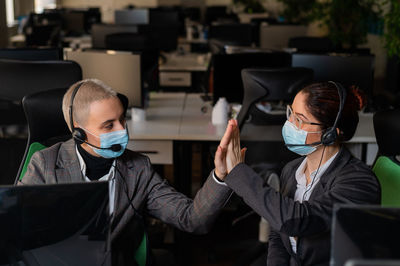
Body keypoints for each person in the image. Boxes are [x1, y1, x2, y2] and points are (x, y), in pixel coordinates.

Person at [19, 79, 235, 265]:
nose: (122, 130)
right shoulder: (45, 164)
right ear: (79, 131)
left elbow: (192, 220)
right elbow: (20, 229)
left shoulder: (138, 168)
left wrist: (220, 176)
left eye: (122, 119)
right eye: (108, 125)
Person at [215, 82, 381, 266]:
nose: (289, 124)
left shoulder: (360, 183)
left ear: (331, 133)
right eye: (290, 113)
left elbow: (295, 220)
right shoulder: (292, 169)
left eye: (299, 119)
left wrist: (238, 172)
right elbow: (278, 230)